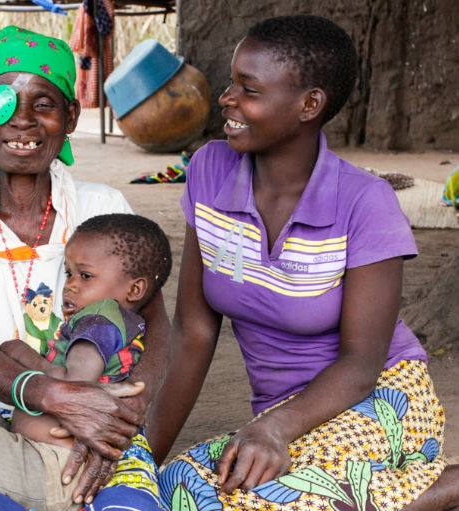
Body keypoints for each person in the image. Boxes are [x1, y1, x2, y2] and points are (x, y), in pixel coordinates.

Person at [149, 15, 459, 511]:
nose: (227, 98)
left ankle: (444, 487)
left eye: (248, 89)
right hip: (282, 414)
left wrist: (271, 429)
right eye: (232, 82)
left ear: (309, 105)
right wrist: (142, 465)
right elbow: (194, 332)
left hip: (380, 399)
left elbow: (361, 364)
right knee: (175, 492)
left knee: (261, 502)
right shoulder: (208, 171)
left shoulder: (365, 203)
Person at [0, 26, 172, 510]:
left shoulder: (103, 207)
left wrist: (132, 405)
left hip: (101, 412)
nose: (23, 121)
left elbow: (154, 318)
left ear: (71, 116)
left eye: (44, 105)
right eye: (3, 103)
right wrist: (58, 397)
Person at [0, 213, 172, 511]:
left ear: (135, 290)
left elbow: (75, 389)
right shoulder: (122, 326)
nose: (70, 286)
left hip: (52, 468)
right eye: (69, 273)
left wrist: (20, 353)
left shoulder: (97, 319)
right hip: (63, 468)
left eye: (85, 276)